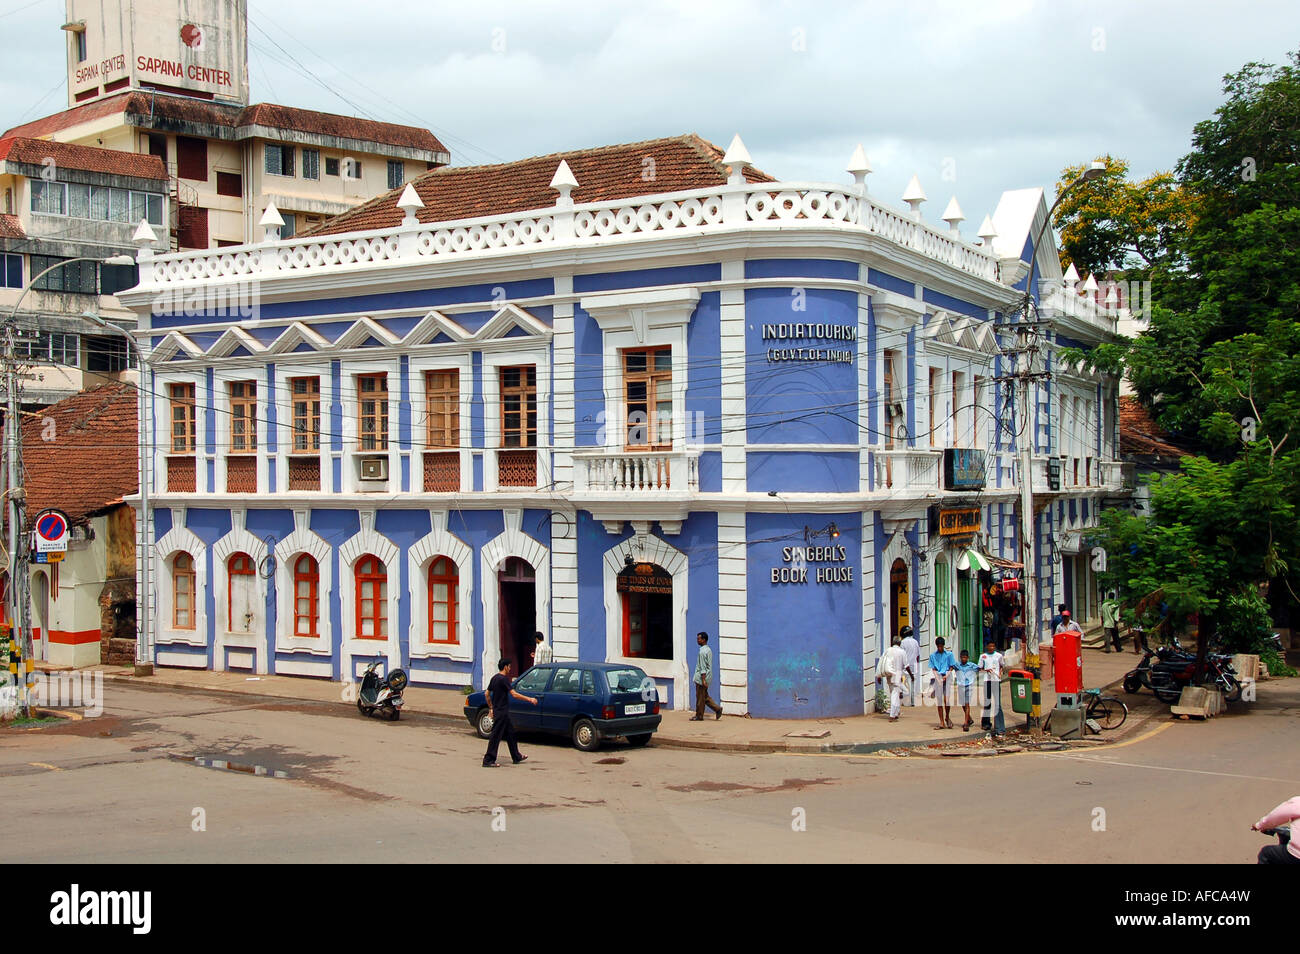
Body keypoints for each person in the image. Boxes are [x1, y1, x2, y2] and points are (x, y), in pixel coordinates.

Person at [482, 659, 539, 767]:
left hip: (500, 711)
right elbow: (514, 694)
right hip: (502, 713)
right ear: (505, 667)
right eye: (509, 666)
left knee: (511, 733)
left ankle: (516, 756)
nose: (510, 668)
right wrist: (530, 699)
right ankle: (488, 760)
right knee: (495, 736)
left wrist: (491, 707)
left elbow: (487, 694)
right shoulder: (503, 679)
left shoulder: (494, 678)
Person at [1252, 796, 1300, 864]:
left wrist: (1259, 826)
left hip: (1296, 855)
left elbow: (1276, 816)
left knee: (1266, 853)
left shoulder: (1298, 802)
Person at [877, 636, 912, 722]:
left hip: (890, 676)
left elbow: (881, 662)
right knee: (895, 695)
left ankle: (896, 712)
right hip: (897, 676)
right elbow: (906, 666)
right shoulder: (902, 652)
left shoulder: (888, 650)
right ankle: (893, 715)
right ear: (899, 643)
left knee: (894, 693)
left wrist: (879, 675)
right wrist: (912, 675)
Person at [691, 632, 723, 721]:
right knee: (704, 696)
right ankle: (717, 709)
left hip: (701, 677)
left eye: (699, 639)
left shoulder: (702, 652)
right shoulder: (708, 650)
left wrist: (703, 679)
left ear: (703, 640)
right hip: (708, 676)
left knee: (700, 698)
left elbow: (703, 667)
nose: (698, 640)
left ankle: (699, 715)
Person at [977, 638, 1006, 737]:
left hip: (996, 681)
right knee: (987, 702)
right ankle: (985, 723)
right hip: (987, 680)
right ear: (987, 646)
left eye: (993, 646)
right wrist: (986, 670)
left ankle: (1000, 728)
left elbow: (1002, 666)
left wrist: (1000, 674)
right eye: (989, 646)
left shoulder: (999, 656)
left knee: (997, 704)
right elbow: (979, 668)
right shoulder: (983, 656)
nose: (991, 648)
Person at [929, 636, 956, 730]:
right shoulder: (933, 656)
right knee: (939, 701)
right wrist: (938, 678)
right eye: (938, 646)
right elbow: (933, 668)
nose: (940, 648)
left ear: (944, 646)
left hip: (947, 676)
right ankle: (941, 722)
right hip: (938, 677)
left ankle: (947, 717)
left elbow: (951, 667)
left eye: (941, 646)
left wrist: (946, 676)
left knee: (947, 700)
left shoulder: (949, 655)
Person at [954, 649, 978, 731]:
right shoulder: (957, 665)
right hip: (961, 686)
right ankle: (969, 719)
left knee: (967, 704)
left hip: (968, 686)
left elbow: (980, 668)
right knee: (963, 704)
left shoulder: (971, 665)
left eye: (965, 657)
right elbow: (950, 666)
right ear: (960, 657)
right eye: (962, 657)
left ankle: (966, 723)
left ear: (967, 658)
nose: (963, 659)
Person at [900, 625, 921, 706]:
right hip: (914, 665)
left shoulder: (902, 643)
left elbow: (901, 655)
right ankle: (913, 702)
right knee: (913, 684)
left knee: (901, 682)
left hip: (905, 666)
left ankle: (905, 699)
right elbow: (918, 655)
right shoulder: (915, 642)